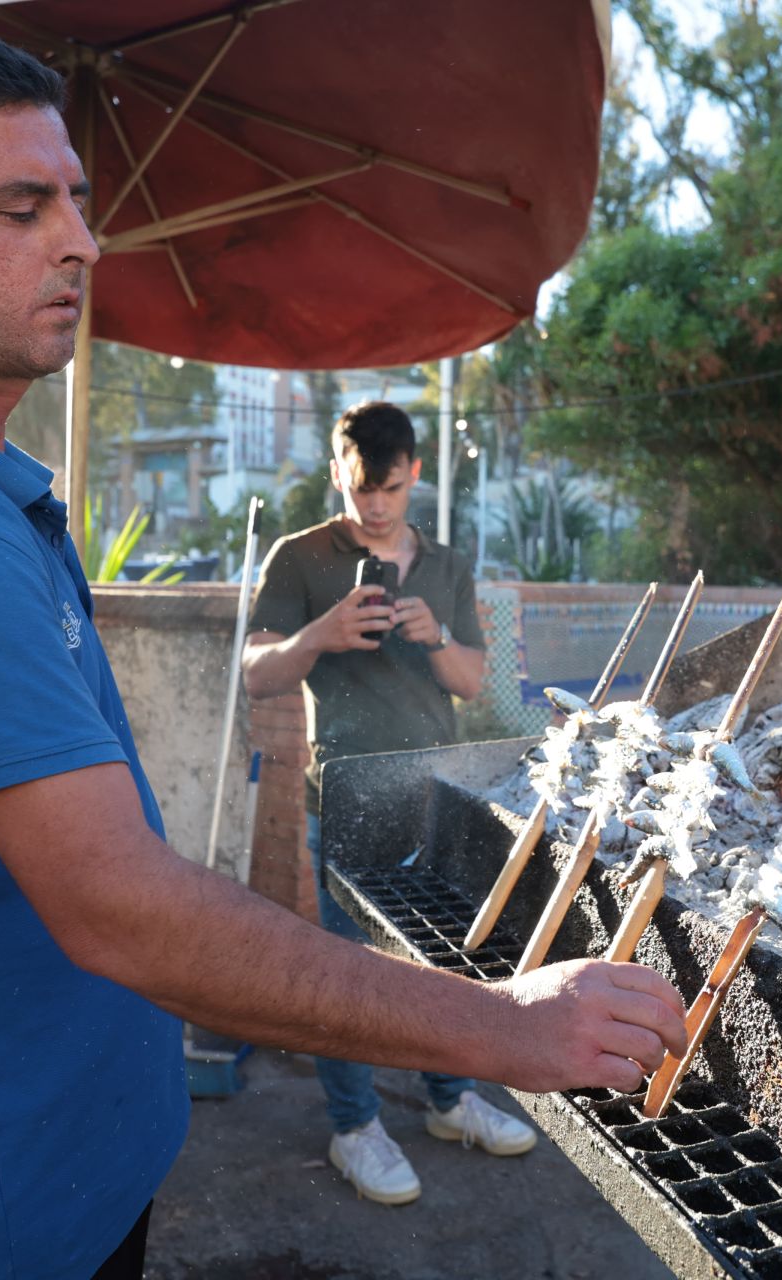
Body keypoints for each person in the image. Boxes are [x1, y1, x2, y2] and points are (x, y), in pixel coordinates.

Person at [0, 24, 686, 1280]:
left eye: (75, 196)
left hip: (5, 1159)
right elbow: (125, 910)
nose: (80, 239)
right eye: (19, 208)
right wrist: (502, 1022)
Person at [242, 404, 525, 1206]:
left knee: (448, 961)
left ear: (414, 477)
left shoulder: (445, 565)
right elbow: (257, 672)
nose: (375, 507)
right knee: (345, 971)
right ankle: (354, 1126)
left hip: (438, 792)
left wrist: (435, 637)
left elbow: (473, 682)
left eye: (391, 490)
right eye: (363, 489)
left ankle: (449, 1099)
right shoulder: (301, 557)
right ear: (339, 472)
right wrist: (320, 636)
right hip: (344, 787)